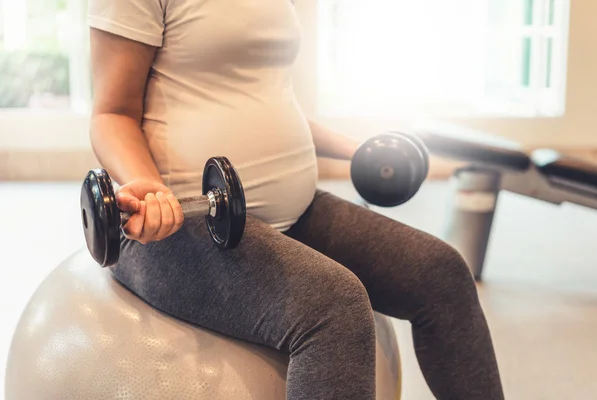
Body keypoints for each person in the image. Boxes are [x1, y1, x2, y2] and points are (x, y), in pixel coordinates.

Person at [87, 1, 505, 399]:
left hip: (297, 212)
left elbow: (260, 97)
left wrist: (355, 149)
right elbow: (112, 114)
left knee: (440, 273)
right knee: (334, 307)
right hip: (178, 227)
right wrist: (150, 187)